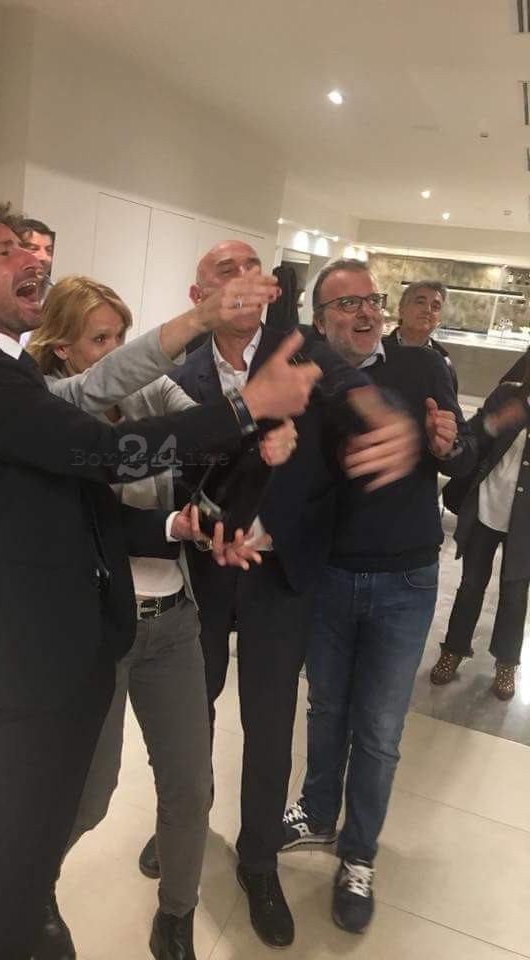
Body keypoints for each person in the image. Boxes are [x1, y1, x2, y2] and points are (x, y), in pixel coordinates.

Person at [0, 200, 322, 960]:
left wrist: (178, 527)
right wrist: (247, 405)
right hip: (19, 662)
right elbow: (108, 454)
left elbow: (85, 498)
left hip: (55, 652)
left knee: (23, 853)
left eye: (35, 248)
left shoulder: (6, 372)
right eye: (7, 251)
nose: (34, 258)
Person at [138, 241, 419, 949]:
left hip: (280, 572)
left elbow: (354, 392)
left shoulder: (304, 353)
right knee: (188, 715)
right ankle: (183, 823)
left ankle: (258, 860)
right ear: (198, 293)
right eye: (223, 272)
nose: (241, 281)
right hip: (203, 573)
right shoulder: (181, 370)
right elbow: (175, 466)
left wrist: (389, 419)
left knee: (269, 728)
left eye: (250, 269)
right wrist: (201, 522)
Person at [27, 275, 296, 960]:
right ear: (62, 350)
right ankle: (28, 885)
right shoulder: (51, 413)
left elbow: (212, 435)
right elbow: (94, 526)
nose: (119, 352)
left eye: (122, 335)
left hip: (174, 620)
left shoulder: (148, 392)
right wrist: (176, 524)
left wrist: (263, 443)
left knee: (189, 788)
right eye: (101, 339)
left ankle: (176, 915)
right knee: (90, 795)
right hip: (100, 629)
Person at [281, 259, 476, 936]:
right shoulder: (304, 374)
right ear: (319, 318)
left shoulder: (424, 367)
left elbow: (462, 449)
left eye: (372, 300)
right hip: (329, 574)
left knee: (380, 729)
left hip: (405, 580)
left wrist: (451, 445)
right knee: (325, 706)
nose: (366, 312)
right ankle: (316, 812)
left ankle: (358, 854)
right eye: (347, 304)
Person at [431, 364, 530, 699]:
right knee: (471, 585)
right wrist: (494, 422)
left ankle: (506, 663)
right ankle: (453, 650)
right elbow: (472, 437)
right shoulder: (507, 395)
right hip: (487, 508)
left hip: (524, 524)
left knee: (515, 593)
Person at [386, 280, 458, 393]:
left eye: (435, 306)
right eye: (420, 302)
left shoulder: (445, 364)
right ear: (401, 310)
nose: (428, 310)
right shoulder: (376, 353)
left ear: (439, 320)